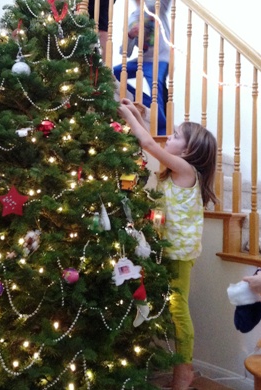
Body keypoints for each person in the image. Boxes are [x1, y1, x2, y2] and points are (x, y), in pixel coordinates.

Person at [118, 98, 218, 390]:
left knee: (178, 309)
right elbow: (152, 144)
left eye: (174, 136)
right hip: (165, 251)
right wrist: (138, 116)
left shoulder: (186, 170)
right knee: (166, 305)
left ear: (187, 151)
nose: (169, 138)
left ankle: (184, 372)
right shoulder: (176, 170)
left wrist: (127, 116)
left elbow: (149, 144)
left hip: (178, 254)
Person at [113, 0, 172, 135]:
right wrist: (131, 35)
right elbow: (125, 51)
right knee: (115, 73)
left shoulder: (156, 6)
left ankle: (161, 129)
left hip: (159, 59)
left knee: (156, 87)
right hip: (142, 60)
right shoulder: (132, 17)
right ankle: (145, 101)